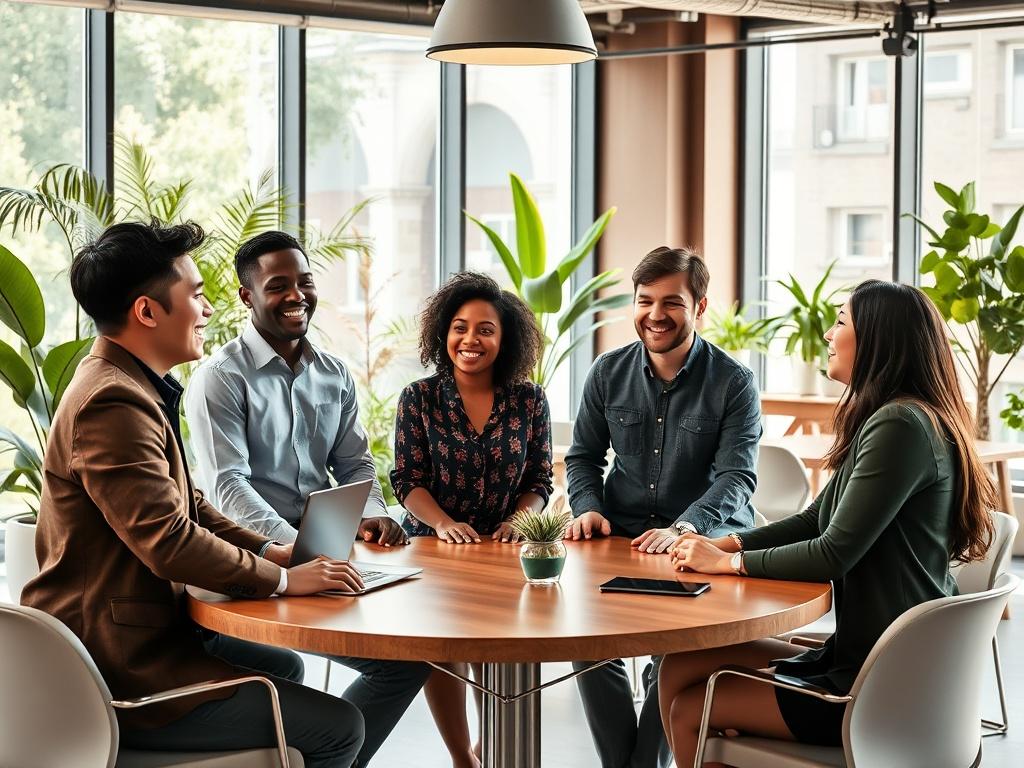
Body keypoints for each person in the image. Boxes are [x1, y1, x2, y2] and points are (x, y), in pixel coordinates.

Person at [20, 220, 365, 767]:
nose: (207, 312)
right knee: (341, 727)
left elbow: (192, 504)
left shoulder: (129, 384)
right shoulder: (113, 402)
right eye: (197, 296)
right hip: (119, 668)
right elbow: (170, 541)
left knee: (288, 666)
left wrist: (270, 551)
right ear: (147, 312)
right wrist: (283, 579)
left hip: (143, 632)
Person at [659, 279, 997, 767]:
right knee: (681, 664)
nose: (827, 334)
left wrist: (730, 567)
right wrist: (729, 544)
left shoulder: (901, 425)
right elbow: (817, 518)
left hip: (879, 687)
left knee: (692, 705)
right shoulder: (896, 417)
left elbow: (833, 551)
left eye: (841, 322)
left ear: (878, 340)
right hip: (870, 656)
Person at [184, 230, 430, 766]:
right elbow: (228, 487)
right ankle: (329, 752)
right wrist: (297, 555)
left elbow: (355, 463)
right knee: (398, 664)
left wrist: (374, 515)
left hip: (325, 551)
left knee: (410, 650)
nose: (297, 295)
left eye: (305, 281)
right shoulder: (220, 378)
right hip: (252, 560)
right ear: (247, 296)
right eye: (278, 286)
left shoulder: (333, 372)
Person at [564, 245, 761, 768]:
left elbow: (737, 478)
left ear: (700, 307)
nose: (655, 315)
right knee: (588, 644)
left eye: (671, 302)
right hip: (622, 539)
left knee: (670, 654)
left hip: (701, 546)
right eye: (644, 300)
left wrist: (686, 527)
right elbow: (583, 456)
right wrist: (585, 505)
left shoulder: (734, 383)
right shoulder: (607, 373)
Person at [390, 272, 553, 768]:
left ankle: (497, 747)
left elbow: (540, 481)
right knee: (445, 653)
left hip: (504, 554)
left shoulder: (530, 400)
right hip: (434, 553)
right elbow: (406, 479)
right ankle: (463, 757)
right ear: (444, 334)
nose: (470, 340)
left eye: (485, 329)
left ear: (505, 340)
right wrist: (441, 523)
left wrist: (520, 520)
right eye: (460, 327)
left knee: (499, 653)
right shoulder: (418, 398)